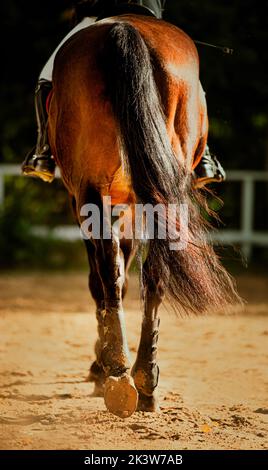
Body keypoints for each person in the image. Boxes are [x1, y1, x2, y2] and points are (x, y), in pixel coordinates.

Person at [22, 0, 225, 187]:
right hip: (149, 16)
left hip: (101, 15)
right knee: (193, 84)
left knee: (45, 78)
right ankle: (204, 158)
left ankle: (44, 152)